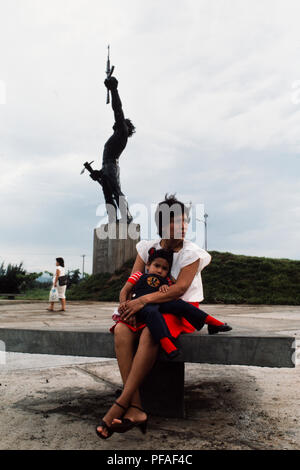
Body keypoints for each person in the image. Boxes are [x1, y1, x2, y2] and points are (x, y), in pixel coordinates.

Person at [96, 194, 230, 439]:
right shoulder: (148, 249)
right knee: (122, 330)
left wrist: (142, 301)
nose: (182, 226)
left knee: (151, 332)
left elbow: (179, 289)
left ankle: (123, 402)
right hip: (145, 307)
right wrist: (126, 305)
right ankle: (136, 407)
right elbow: (132, 282)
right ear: (161, 224)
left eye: (185, 221)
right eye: (175, 221)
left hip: (180, 309)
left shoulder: (192, 253)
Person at [113, 247, 231, 358]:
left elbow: (174, 289)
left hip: (158, 302)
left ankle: (211, 322)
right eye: (156, 265)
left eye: (164, 268)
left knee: (180, 304)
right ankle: (166, 345)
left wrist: (165, 287)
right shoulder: (138, 275)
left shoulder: (166, 280)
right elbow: (125, 290)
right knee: (153, 313)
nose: (159, 270)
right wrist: (123, 304)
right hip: (141, 307)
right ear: (148, 265)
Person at [90, 76, 135, 223]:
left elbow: (118, 109)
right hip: (107, 166)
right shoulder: (116, 136)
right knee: (108, 195)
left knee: (116, 192)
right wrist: (99, 174)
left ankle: (126, 217)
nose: (114, 124)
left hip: (111, 166)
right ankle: (112, 219)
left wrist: (114, 90)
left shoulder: (121, 133)